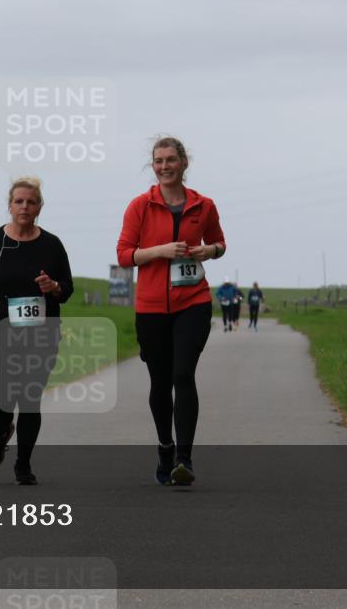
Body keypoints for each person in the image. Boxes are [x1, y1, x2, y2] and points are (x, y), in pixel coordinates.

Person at [116, 136, 226, 486]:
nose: (164, 166)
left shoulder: (204, 205)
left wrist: (209, 251)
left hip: (193, 302)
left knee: (183, 375)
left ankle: (184, 459)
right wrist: (160, 250)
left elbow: (220, 243)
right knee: (161, 382)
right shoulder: (140, 206)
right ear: (153, 166)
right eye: (158, 161)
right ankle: (165, 447)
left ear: (183, 163)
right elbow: (124, 255)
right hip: (150, 307)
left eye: (170, 160)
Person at [0, 177, 73, 485]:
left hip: (40, 334)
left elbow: (67, 288)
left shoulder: (52, 245)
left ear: (40, 207)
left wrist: (54, 287)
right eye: (19, 201)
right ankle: (0, 432)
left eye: (31, 202)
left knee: (29, 398)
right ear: (9, 205)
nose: (25, 207)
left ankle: (23, 464)